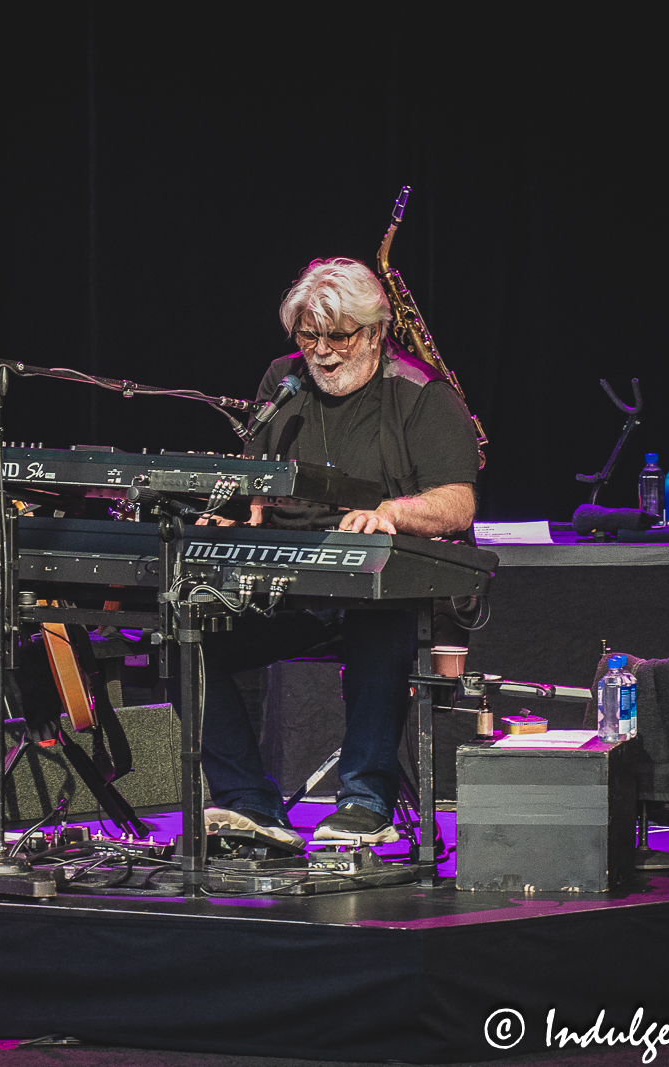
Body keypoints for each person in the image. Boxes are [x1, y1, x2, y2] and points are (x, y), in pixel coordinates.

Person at [201, 257, 479, 849]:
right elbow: (255, 483)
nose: (321, 352)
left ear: (376, 331)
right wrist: (229, 513)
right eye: (309, 336)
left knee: (381, 622)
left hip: (386, 581)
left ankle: (364, 800)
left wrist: (392, 514)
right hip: (294, 581)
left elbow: (457, 505)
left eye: (338, 337)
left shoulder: (420, 394)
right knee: (188, 641)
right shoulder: (283, 381)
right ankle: (250, 806)